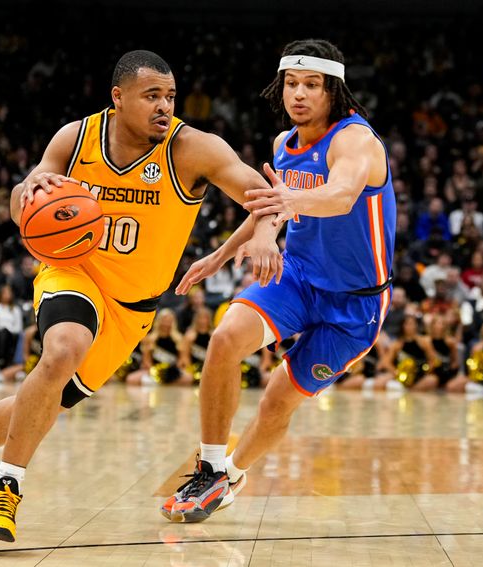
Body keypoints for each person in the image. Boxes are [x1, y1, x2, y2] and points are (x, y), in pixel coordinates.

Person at [0, 50, 281, 542]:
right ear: (118, 97)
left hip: (132, 308)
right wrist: (29, 193)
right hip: (73, 272)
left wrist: (263, 234)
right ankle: (6, 489)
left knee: (42, 401)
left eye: (169, 96)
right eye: (152, 96)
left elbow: (266, 197)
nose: (164, 106)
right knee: (62, 349)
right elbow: (25, 195)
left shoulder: (192, 147)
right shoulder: (77, 136)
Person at [161, 39, 396, 523]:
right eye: (292, 84)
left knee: (275, 401)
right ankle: (209, 464)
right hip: (299, 277)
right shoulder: (282, 146)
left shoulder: (356, 140)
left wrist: (287, 203)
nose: (299, 94)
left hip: (355, 305)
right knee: (225, 337)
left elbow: (341, 194)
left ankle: (231, 474)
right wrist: (222, 253)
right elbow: (270, 208)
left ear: (335, 90)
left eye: (312, 85)